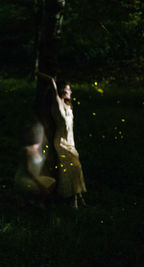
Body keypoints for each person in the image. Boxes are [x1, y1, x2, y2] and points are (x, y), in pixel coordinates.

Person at [36, 71, 87, 208]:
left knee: (77, 168)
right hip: (62, 142)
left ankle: (78, 196)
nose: (70, 91)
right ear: (62, 91)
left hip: (71, 142)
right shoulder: (58, 105)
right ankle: (73, 199)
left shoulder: (69, 107)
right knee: (71, 168)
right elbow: (52, 83)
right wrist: (40, 74)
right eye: (68, 89)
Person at [14, 119, 56, 210]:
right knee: (42, 187)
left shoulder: (41, 148)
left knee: (52, 182)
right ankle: (26, 199)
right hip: (24, 180)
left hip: (34, 178)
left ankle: (35, 201)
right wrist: (41, 185)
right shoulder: (27, 150)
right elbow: (29, 171)